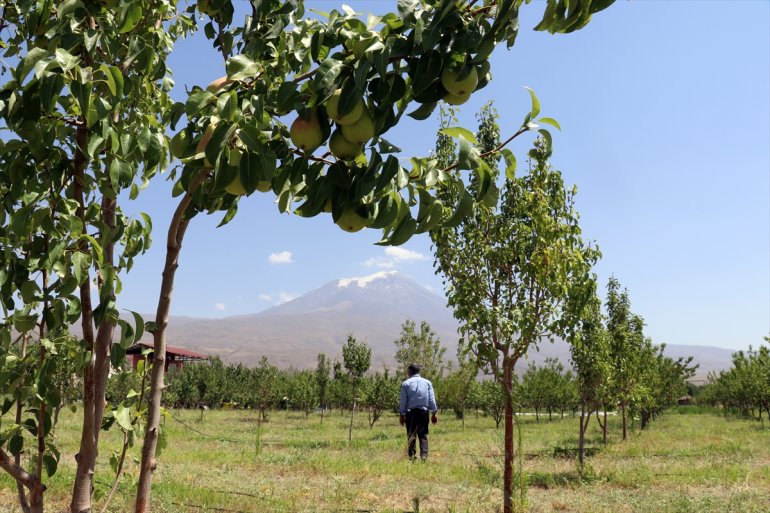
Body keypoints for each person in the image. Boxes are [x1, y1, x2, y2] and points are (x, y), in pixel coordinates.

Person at [399, 363, 438, 461]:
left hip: (411, 413)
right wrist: (434, 413)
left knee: (411, 434)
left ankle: (412, 456)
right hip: (423, 413)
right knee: (423, 435)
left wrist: (402, 414)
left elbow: (403, 400)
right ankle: (424, 455)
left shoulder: (406, 384)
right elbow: (431, 399)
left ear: (410, 372)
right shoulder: (427, 383)